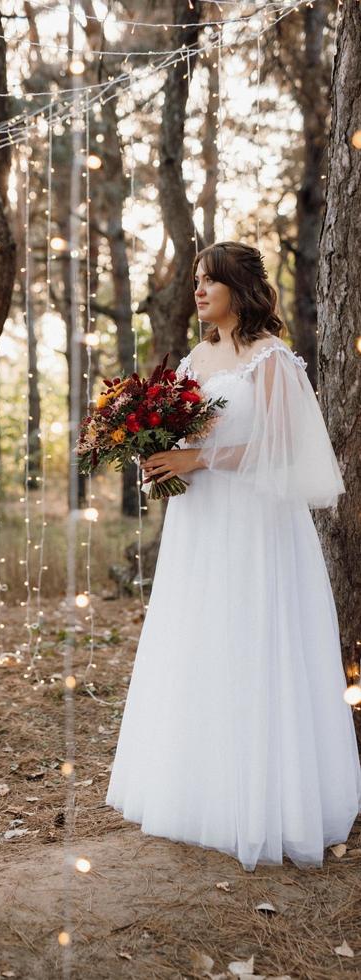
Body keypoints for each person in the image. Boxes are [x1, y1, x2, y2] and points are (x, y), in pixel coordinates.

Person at [106, 241, 361, 871]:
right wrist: (160, 454)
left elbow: (279, 450)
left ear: (238, 289)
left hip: (255, 523)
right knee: (204, 641)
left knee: (257, 641)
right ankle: (203, 794)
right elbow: (189, 433)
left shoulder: (272, 360)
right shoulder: (197, 356)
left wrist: (197, 458)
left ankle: (268, 803)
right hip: (203, 522)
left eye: (209, 282)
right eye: (195, 281)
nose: (197, 291)